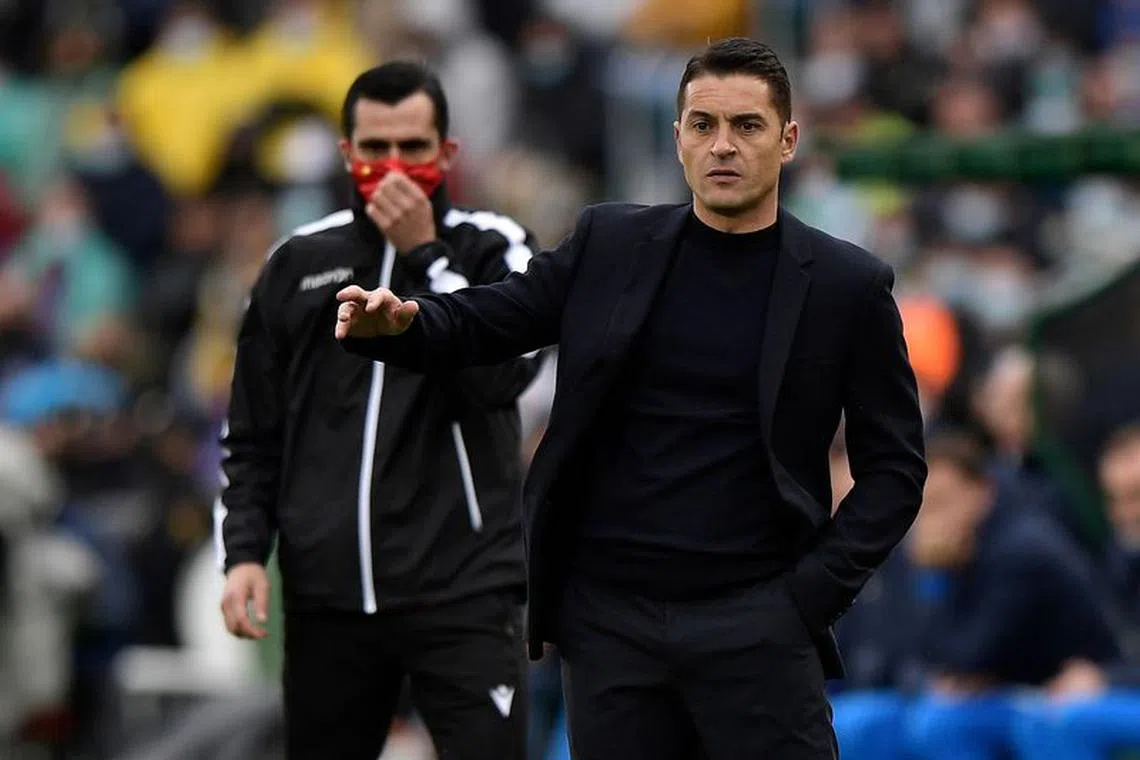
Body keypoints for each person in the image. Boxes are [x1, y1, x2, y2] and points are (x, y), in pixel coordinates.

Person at [335, 38, 927, 759]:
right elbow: (496, 317)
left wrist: (808, 598)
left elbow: (895, 469)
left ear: (789, 140)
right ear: (677, 138)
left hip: (758, 625)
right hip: (612, 628)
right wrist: (405, 322)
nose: (723, 146)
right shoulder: (610, 244)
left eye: (747, 126)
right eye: (704, 125)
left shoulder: (847, 286)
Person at [215, 62, 540, 760]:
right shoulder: (296, 263)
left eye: (414, 148)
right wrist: (243, 551)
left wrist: (425, 254)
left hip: (464, 595)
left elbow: (502, 379)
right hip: (328, 601)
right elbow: (252, 428)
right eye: (375, 149)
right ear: (346, 153)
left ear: (448, 153)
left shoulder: (495, 247)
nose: (393, 167)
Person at [902, 432, 1119, 760]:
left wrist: (934, 577)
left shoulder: (1021, 549)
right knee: (871, 719)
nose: (932, 518)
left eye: (943, 500)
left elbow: (971, 656)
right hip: (1020, 688)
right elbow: (921, 654)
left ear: (982, 492)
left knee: (941, 722)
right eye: (925, 506)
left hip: (1077, 686)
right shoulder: (964, 549)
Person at [1011, 423, 1140, 760]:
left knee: (1070, 720)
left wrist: (1107, 679)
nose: (1127, 513)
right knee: (1035, 714)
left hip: (1124, 691)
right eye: (1115, 499)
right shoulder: (1121, 556)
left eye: (1137, 495)